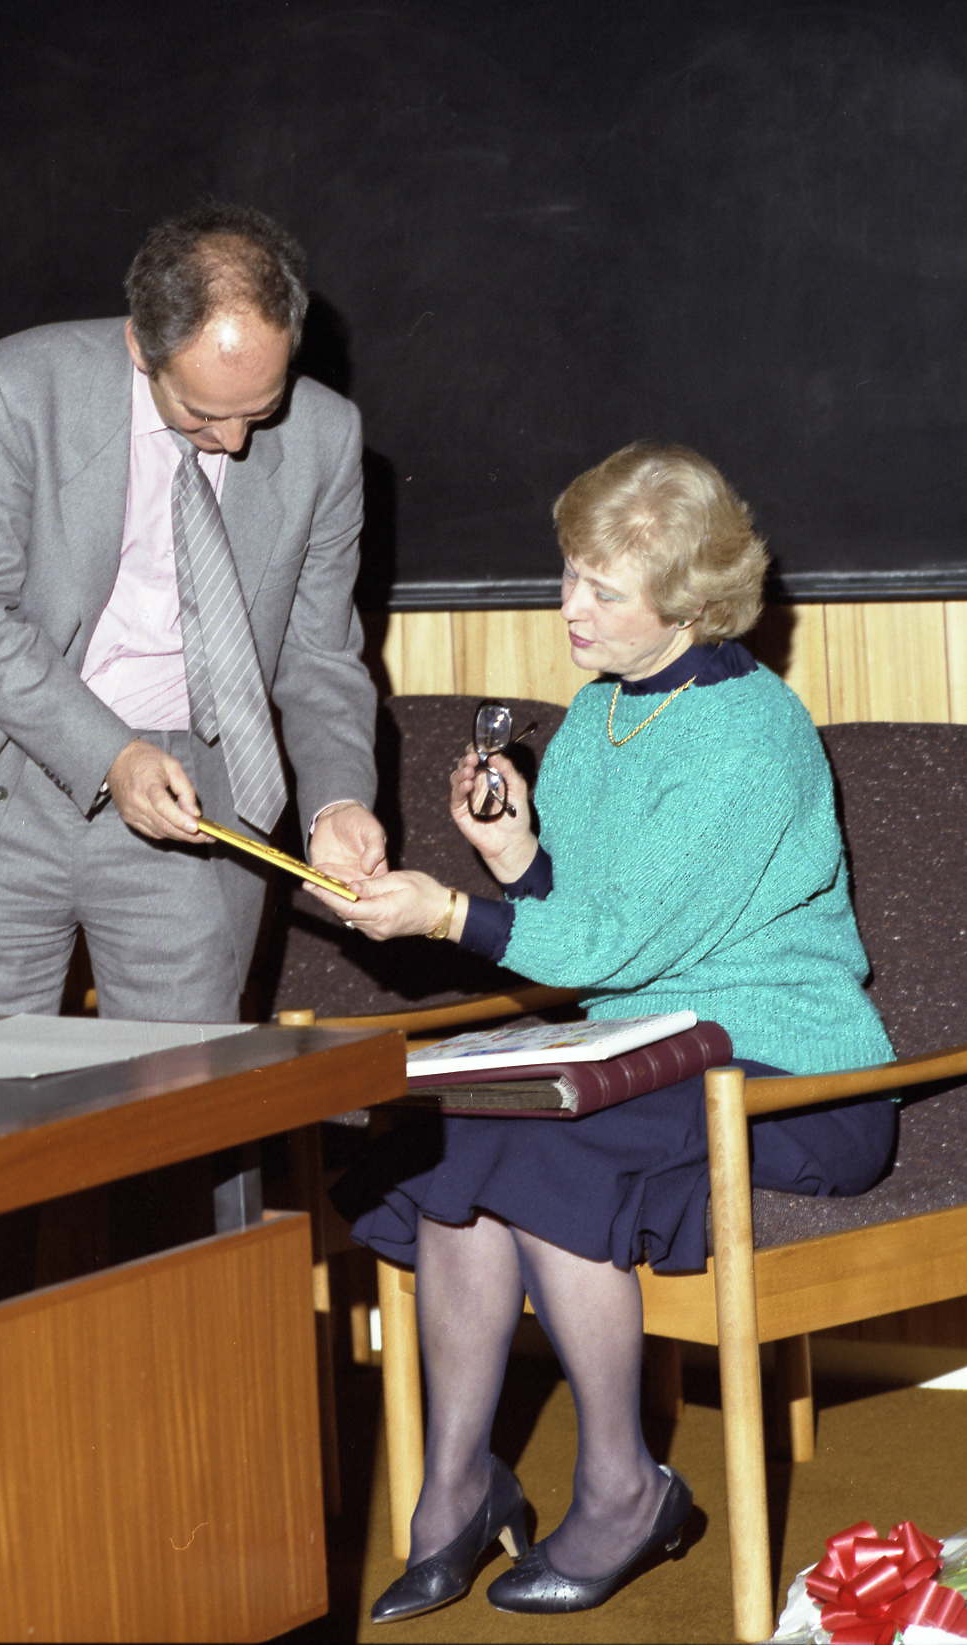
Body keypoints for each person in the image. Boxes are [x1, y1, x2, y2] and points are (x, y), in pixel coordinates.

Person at [320, 441, 897, 1621]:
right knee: (454, 1129)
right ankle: (458, 1487)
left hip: (785, 1068)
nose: (568, 606)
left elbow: (618, 942)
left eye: (602, 589)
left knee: (544, 1148)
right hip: (642, 1051)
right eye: (569, 572)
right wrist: (512, 855)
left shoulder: (751, 736)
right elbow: (579, 916)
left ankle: (627, 1488)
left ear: (688, 606)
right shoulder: (599, 714)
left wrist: (451, 910)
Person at [0, 202, 386, 1020]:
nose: (235, 442)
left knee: (182, 1091)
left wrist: (338, 800)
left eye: (260, 409)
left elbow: (318, 655)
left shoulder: (325, 437)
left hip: (193, 807)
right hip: (2, 781)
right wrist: (111, 755)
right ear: (141, 348)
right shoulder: (15, 391)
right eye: (202, 413)